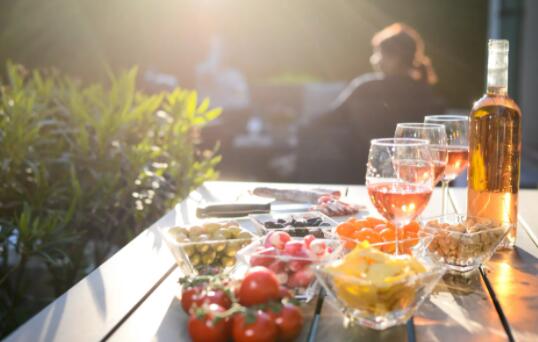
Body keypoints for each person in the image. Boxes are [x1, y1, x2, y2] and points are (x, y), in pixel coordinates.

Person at [295, 23, 444, 184]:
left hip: (363, 173)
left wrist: (300, 125)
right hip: (414, 178)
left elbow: (328, 119)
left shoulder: (367, 88)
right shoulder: (426, 92)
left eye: (378, 54)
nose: (374, 60)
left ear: (394, 58)